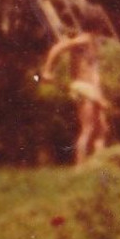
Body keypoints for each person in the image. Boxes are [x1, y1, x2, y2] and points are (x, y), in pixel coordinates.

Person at [42, 30, 110, 164]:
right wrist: (47, 70)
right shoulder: (83, 40)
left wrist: (100, 97)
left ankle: (98, 165)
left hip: (91, 90)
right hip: (83, 87)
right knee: (88, 128)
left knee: (102, 128)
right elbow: (58, 47)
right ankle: (80, 167)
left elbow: (95, 75)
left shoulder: (94, 45)